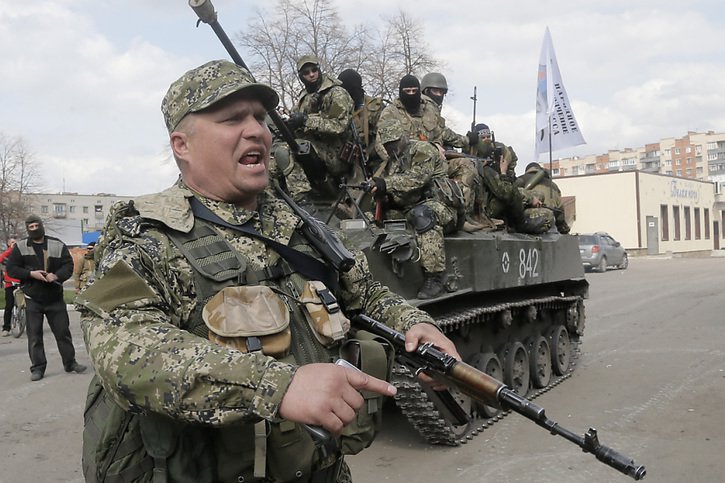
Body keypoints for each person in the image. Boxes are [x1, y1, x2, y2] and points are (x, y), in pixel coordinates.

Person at [76, 59, 458, 483]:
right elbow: (126, 352)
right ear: (182, 145)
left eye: (259, 117)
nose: (257, 129)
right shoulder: (146, 235)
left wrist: (414, 323)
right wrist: (278, 385)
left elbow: (363, 293)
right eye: (232, 119)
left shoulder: (299, 225)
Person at [371, 118, 461, 299]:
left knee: (423, 215)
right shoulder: (392, 162)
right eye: (388, 145)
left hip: (439, 206)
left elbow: (417, 179)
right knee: (379, 219)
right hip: (409, 208)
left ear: (403, 137)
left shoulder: (422, 150)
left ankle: (434, 277)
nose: (391, 148)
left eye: (394, 143)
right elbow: (391, 188)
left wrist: (385, 184)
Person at [6, 215, 86, 381]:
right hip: (32, 298)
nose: (34, 229)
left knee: (63, 333)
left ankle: (70, 363)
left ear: (41, 226)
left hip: (54, 299)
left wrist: (56, 276)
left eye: (37, 226)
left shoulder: (57, 244)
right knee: (34, 336)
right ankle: (38, 368)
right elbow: (11, 268)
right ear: (28, 229)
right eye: (31, 227)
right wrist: (30, 274)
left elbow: (68, 266)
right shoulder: (20, 247)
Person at [284, 55, 355, 200]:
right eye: (306, 72)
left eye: (314, 70)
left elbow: (339, 126)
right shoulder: (304, 96)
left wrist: (305, 120)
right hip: (314, 148)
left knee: (288, 150)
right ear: (301, 76)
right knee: (275, 152)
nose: (311, 74)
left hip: (336, 154)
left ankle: (302, 199)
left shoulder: (336, 93)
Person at [337, 68, 386, 171]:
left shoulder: (375, 107)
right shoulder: (337, 107)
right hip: (344, 160)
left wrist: (369, 151)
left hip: (374, 159)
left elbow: (385, 136)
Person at [515, 162, 571, 234]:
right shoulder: (553, 185)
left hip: (526, 222)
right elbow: (559, 210)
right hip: (549, 225)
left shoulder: (520, 180)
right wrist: (563, 229)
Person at [0, 236, 20, 336]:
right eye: (12, 242)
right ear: (8, 244)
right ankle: (6, 328)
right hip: (9, 283)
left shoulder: (20, 253)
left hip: (20, 282)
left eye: (15, 243)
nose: (14, 244)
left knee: (26, 305)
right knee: (9, 305)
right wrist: (10, 249)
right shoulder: (7, 254)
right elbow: (1, 258)